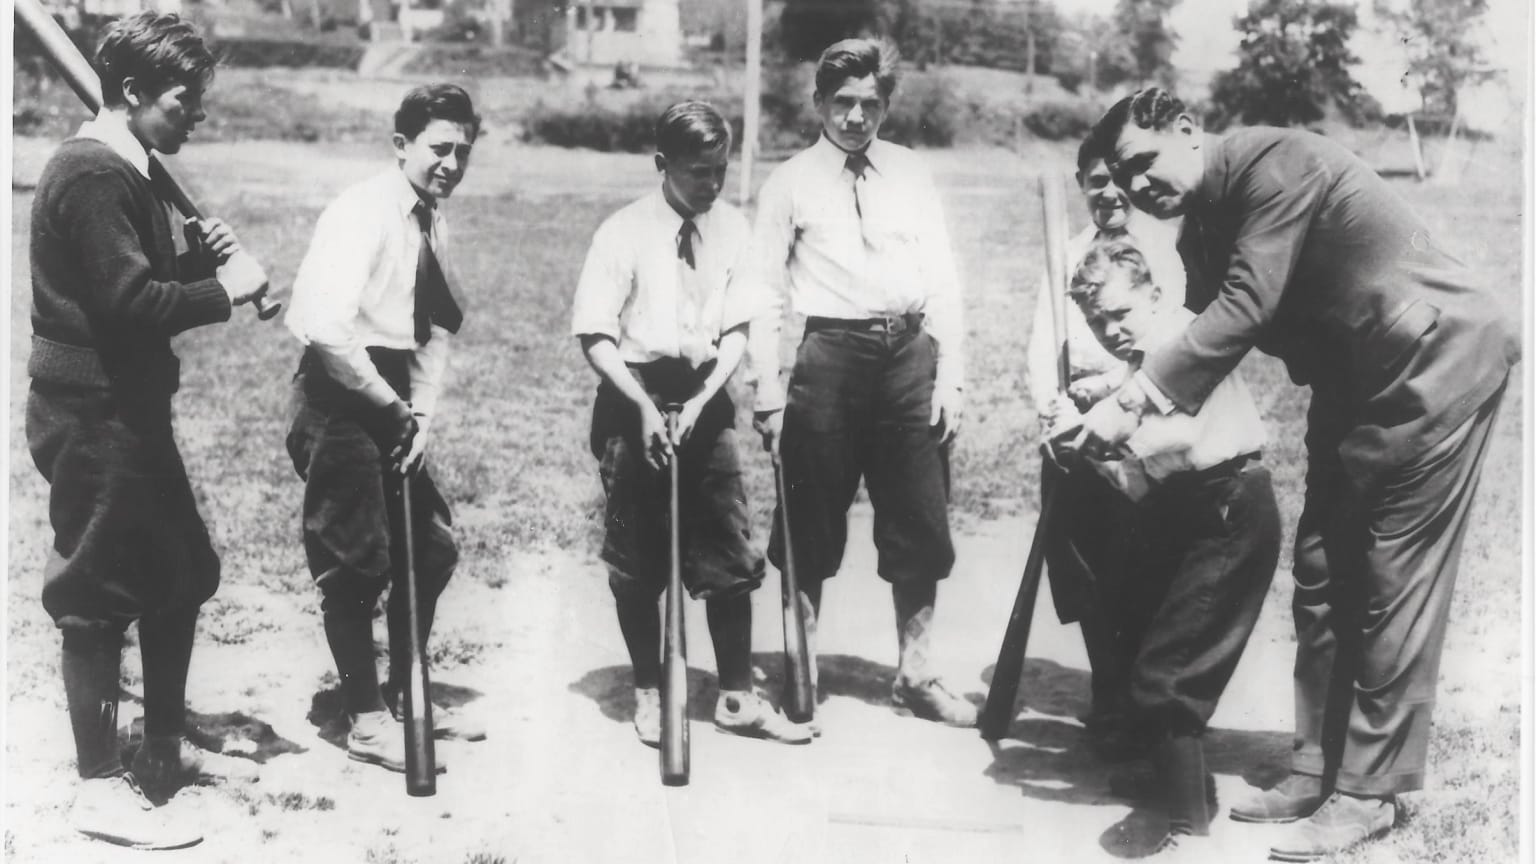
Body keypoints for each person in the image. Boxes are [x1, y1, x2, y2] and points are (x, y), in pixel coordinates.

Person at [1083, 87, 1520, 861]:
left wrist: (1137, 397)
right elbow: (1198, 335)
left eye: (1145, 161)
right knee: (1321, 569)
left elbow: (1245, 306)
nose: (1138, 186)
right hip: (1355, 384)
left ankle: (1368, 793)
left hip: (1437, 360)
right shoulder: (1198, 231)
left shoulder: (1273, 164)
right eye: (1124, 176)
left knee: (1392, 579)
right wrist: (1103, 394)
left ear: (1188, 130)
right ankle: (1318, 767)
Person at [25, 11, 266, 849]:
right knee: (96, 593)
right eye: (182, 96)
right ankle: (96, 785)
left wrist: (202, 266)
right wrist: (225, 292)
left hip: (128, 408)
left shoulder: (129, 165)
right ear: (130, 92)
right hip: (92, 414)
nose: (195, 111)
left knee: (178, 569)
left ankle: (163, 748)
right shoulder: (93, 174)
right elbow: (128, 308)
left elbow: (139, 280)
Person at [740, 38, 974, 727]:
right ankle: (800, 666)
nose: (854, 117)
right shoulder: (789, 183)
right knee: (809, 521)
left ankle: (917, 672)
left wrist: (950, 375)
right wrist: (768, 393)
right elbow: (759, 294)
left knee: (919, 519)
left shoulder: (911, 174)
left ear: (886, 106)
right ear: (818, 103)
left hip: (907, 357)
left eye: (870, 103)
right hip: (828, 358)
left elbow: (944, 281)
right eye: (841, 102)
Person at [572, 100, 812, 747]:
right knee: (638, 553)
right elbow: (595, 336)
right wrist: (647, 408)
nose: (711, 185)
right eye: (698, 172)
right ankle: (649, 691)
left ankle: (735, 694)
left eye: (720, 171)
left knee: (726, 543)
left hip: (705, 394)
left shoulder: (733, 229)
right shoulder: (620, 233)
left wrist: (707, 398)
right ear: (661, 165)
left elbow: (739, 324)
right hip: (632, 397)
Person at [1046, 237, 1279, 856]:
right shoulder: (1140, 362)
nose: (1111, 329)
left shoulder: (1181, 346)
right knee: (1146, 639)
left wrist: (1101, 433)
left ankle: (1188, 832)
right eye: (1098, 321)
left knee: (1169, 672)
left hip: (1229, 509)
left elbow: (1179, 431)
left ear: (1154, 295)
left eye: (1121, 314)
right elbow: (1138, 470)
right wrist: (1088, 434)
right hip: (1189, 509)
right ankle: (1182, 787)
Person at [284, 83, 486, 773]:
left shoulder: (433, 218)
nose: (451, 164)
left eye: (463, 151)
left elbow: (431, 332)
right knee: (355, 562)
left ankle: (405, 693)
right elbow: (327, 333)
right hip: (339, 394)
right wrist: (390, 408)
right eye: (438, 148)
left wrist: (419, 415)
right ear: (401, 145)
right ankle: (364, 719)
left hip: (392, 392)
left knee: (429, 550)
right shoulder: (361, 213)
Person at [1024, 136, 1185, 745]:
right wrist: (1055, 413)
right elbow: (1046, 346)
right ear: (1082, 186)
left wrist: (1119, 391)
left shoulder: (1163, 254)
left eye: (1117, 181)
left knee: (1146, 570)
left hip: (1145, 424)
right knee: (1086, 573)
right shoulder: (1065, 255)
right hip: (1078, 433)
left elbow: (1174, 343)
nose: (1108, 194)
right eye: (1095, 182)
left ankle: (1151, 705)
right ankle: (1109, 691)